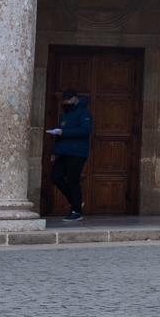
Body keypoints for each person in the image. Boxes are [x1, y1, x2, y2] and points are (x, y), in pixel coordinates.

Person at [45, 88, 93, 221]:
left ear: (75, 99)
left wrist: (63, 132)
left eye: (68, 99)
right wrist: (55, 151)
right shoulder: (65, 114)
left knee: (73, 180)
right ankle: (76, 201)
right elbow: (60, 134)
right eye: (64, 100)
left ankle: (76, 211)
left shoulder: (84, 113)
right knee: (56, 177)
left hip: (77, 152)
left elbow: (85, 130)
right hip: (64, 152)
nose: (66, 102)